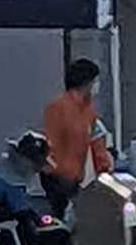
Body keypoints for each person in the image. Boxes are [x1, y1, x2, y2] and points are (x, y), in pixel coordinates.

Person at [42, 59, 114, 218]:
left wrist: (104, 169)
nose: (97, 86)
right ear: (86, 83)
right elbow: (50, 144)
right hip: (57, 179)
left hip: (75, 180)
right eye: (95, 81)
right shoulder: (58, 108)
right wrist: (57, 172)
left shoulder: (88, 111)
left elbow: (97, 143)